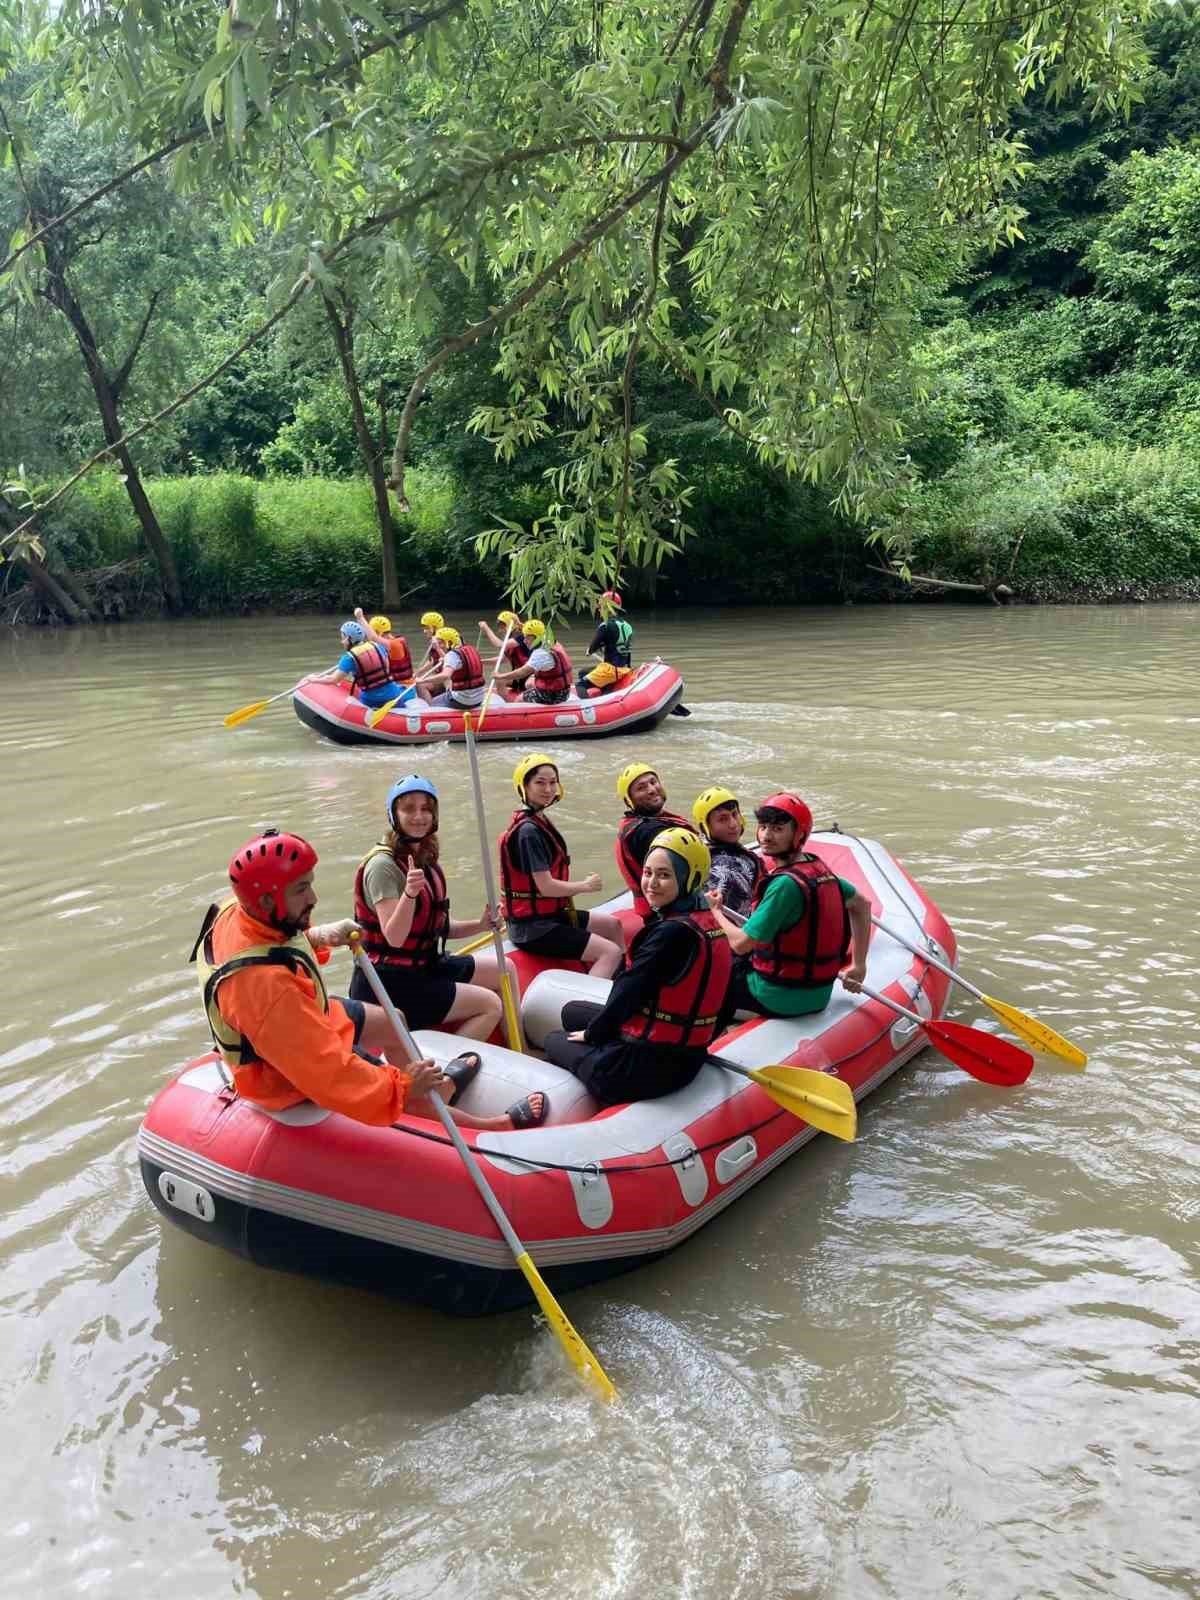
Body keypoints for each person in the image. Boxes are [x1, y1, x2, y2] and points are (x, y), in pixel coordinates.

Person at [192, 827, 547, 1131]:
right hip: (279, 1070)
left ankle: (436, 1091)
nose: (314, 897)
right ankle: (490, 1126)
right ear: (268, 900)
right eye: (301, 889)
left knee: (394, 1020)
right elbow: (328, 1075)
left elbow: (273, 947)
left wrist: (320, 936)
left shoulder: (238, 909)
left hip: (301, 1016)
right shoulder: (267, 991)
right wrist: (404, 1086)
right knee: (398, 1088)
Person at [542, 829, 733, 1105]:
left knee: (554, 1039)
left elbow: (628, 991)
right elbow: (725, 1000)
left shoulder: (670, 934)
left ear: (688, 878)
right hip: (686, 1052)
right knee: (571, 1012)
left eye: (664, 875)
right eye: (647, 872)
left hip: (641, 1067)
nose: (651, 883)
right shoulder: (708, 922)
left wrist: (593, 1035)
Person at [349, 775, 522, 1043]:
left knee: (506, 968)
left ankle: (521, 1047)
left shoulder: (423, 857)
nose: (419, 816)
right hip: (389, 983)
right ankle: (448, 1065)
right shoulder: (382, 867)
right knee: (489, 1005)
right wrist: (409, 894)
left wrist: (480, 925)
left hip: (426, 966)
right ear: (393, 815)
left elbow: (437, 928)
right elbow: (395, 937)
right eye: (408, 808)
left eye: (426, 809)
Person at [707, 792, 870, 1029]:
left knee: (709, 972)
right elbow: (862, 905)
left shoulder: (785, 885)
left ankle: (709, 1037)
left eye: (777, 829)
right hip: (818, 994)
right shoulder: (818, 869)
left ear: (799, 834)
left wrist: (716, 912)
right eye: (763, 827)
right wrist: (859, 964)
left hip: (778, 996)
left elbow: (741, 944)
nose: (766, 836)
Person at [499, 756, 626, 977]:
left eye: (553, 782)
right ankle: (591, 998)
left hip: (550, 915)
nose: (548, 789)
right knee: (610, 952)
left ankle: (624, 981)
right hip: (531, 927)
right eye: (540, 783)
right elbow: (546, 887)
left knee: (613, 925)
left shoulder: (538, 820)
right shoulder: (528, 832)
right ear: (524, 786)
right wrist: (585, 886)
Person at [614, 762, 699, 917]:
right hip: (671, 912)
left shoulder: (648, 822)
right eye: (641, 788)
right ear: (629, 801)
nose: (652, 790)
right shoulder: (648, 832)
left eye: (653, 782)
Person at [691, 786, 767, 917]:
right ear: (706, 827)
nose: (733, 824)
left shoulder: (703, 851)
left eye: (734, 814)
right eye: (723, 819)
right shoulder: (728, 869)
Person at [311, 619, 396, 710]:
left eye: (343, 638)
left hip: (371, 700)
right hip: (393, 693)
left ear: (349, 639)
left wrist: (313, 680)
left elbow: (333, 679)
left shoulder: (349, 658)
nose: (342, 642)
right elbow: (387, 669)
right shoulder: (378, 646)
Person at [493, 619, 574, 705]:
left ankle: (519, 707)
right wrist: (521, 625)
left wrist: (500, 676)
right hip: (563, 689)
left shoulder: (541, 653)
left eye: (527, 638)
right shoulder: (549, 640)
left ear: (536, 637)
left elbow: (522, 672)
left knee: (519, 699)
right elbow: (537, 629)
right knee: (529, 684)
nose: (524, 641)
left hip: (553, 695)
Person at [578, 590, 634, 696]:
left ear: (607, 608)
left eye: (601, 607)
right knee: (583, 672)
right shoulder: (628, 626)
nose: (599, 609)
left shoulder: (605, 625)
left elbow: (593, 647)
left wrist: (589, 651)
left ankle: (588, 704)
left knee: (580, 685)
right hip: (625, 669)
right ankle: (606, 692)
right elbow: (620, 645)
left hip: (611, 671)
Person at [420, 627, 486, 710]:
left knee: (432, 703)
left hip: (462, 700)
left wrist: (422, 680)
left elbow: (445, 676)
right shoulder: (471, 649)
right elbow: (457, 663)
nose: (438, 646)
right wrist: (445, 659)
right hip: (479, 698)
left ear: (449, 643)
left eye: (440, 643)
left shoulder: (452, 655)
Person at [354, 607, 414, 684]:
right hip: (402, 683)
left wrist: (360, 618)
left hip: (402, 686)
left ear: (378, 632)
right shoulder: (398, 641)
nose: (368, 637)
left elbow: (373, 637)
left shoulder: (394, 645)